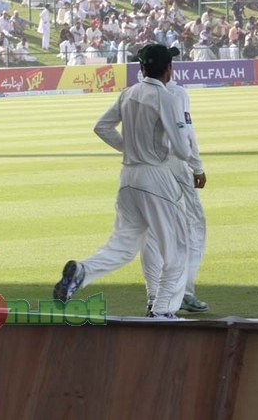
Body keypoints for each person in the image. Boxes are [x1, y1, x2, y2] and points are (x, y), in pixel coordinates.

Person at [53, 44, 201, 319]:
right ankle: (163, 311)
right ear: (169, 68)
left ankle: (82, 272)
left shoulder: (128, 94)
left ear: (141, 68)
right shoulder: (167, 98)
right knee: (178, 249)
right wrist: (178, 155)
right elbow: (182, 149)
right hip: (155, 178)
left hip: (128, 178)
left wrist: (129, 148)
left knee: (122, 247)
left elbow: (102, 127)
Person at [140, 78, 208, 315]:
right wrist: (197, 168)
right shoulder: (177, 93)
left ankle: (153, 297)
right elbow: (186, 134)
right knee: (192, 228)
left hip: (143, 167)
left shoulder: (133, 93)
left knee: (150, 233)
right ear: (168, 68)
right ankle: (183, 292)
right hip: (174, 167)